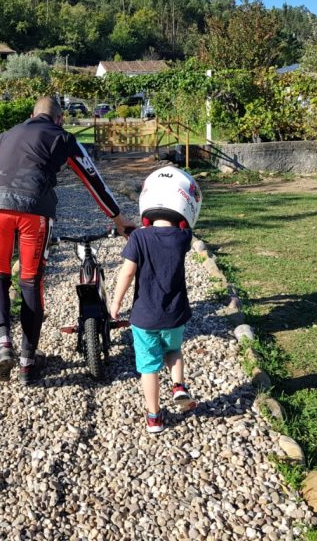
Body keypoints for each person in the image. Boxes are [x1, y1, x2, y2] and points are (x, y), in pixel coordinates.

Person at [0, 96, 135, 385]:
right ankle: (27, 361)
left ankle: (2, 343)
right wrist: (118, 218)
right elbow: (92, 179)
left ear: (31, 114)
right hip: (35, 209)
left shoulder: (6, 135)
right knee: (30, 280)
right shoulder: (62, 137)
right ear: (60, 119)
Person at [109, 166, 202, 434]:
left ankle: (154, 417)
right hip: (174, 314)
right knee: (173, 351)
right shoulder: (184, 237)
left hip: (144, 317)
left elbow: (127, 272)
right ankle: (179, 385)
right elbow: (179, 228)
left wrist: (115, 304)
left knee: (149, 367)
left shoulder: (138, 237)